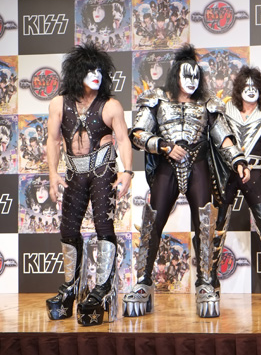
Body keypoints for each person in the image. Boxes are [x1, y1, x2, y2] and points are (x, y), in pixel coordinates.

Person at [124, 44, 249, 319]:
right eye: (186, 75)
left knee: (205, 223)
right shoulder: (156, 99)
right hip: (166, 165)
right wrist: (163, 146)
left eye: (195, 76)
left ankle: (205, 282)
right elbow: (137, 134)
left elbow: (223, 138)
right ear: (176, 75)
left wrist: (239, 160)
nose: (192, 81)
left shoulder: (208, 104)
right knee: (152, 222)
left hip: (198, 163)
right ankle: (144, 281)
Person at [45, 43, 132, 326]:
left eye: (99, 71)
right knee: (68, 229)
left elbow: (123, 140)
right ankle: (71, 287)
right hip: (74, 171)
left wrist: (127, 172)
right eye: (89, 70)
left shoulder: (110, 105)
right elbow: (53, 140)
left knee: (103, 227)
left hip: (103, 169)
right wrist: (52, 174)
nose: (95, 75)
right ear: (77, 72)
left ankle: (103, 288)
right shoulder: (59, 104)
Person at [212, 66, 261, 309]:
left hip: (255, 174)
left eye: (255, 87)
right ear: (239, 89)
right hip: (228, 174)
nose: (251, 91)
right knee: (218, 227)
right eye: (246, 86)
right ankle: (211, 281)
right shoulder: (225, 112)